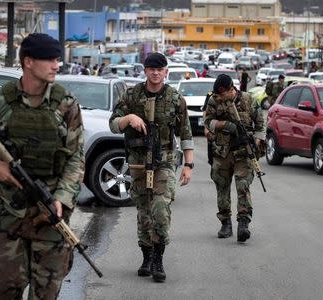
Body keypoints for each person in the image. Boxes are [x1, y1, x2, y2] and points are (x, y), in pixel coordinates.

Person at [0, 33, 85, 299]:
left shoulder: (66, 104)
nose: (57, 65)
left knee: (46, 293)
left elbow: (76, 158)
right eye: (50, 60)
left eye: (58, 59)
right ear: (28, 62)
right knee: (4, 289)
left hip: (51, 217)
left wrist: (62, 199)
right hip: (11, 215)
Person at [109, 52, 194, 283]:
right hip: (137, 162)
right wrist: (129, 118)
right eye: (151, 69)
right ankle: (146, 257)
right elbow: (113, 124)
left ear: (166, 71)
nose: (155, 73)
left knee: (160, 209)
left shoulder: (175, 98)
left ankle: (158, 258)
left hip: (164, 161)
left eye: (160, 69)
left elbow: (186, 133)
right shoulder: (132, 95)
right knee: (144, 211)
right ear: (145, 71)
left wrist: (188, 164)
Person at [204, 74, 265, 243]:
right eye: (218, 94)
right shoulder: (213, 101)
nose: (220, 97)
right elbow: (208, 121)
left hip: (243, 153)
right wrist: (225, 125)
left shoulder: (248, 100)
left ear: (232, 90)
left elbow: (260, 123)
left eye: (223, 94)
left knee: (243, 185)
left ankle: (243, 224)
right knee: (222, 188)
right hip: (222, 152)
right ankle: (225, 223)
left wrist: (256, 142)